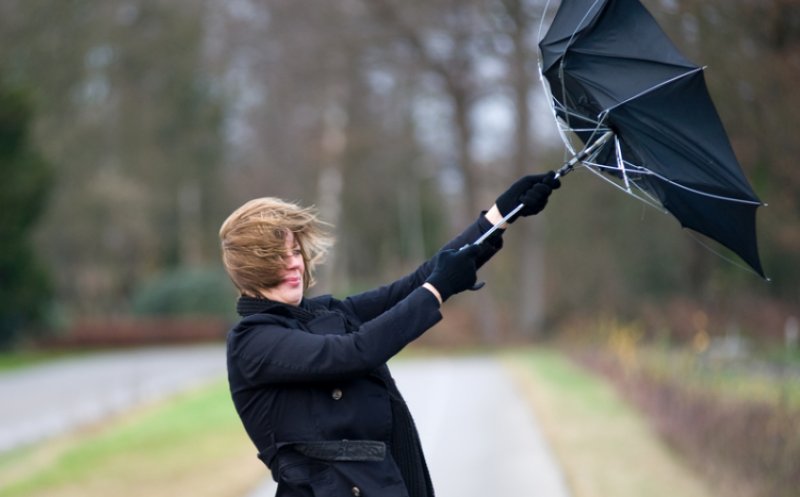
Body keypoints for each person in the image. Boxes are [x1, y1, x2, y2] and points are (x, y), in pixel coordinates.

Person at [220, 172, 560, 497]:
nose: (294, 263)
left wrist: (499, 217)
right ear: (252, 268)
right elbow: (353, 353)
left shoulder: (325, 313)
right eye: (278, 257)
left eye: (295, 251)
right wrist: (437, 289)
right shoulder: (252, 342)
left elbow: (415, 283)